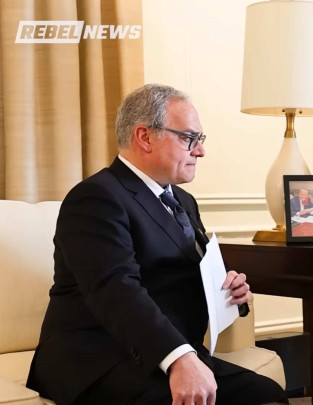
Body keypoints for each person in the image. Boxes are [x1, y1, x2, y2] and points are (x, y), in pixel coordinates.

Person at [26, 84, 287, 405]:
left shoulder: (184, 201)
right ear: (145, 137)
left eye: (200, 139)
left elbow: (188, 273)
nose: (200, 151)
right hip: (97, 359)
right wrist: (179, 358)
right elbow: (116, 289)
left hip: (167, 353)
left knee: (267, 394)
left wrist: (231, 290)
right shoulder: (96, 197)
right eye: (189, 138)